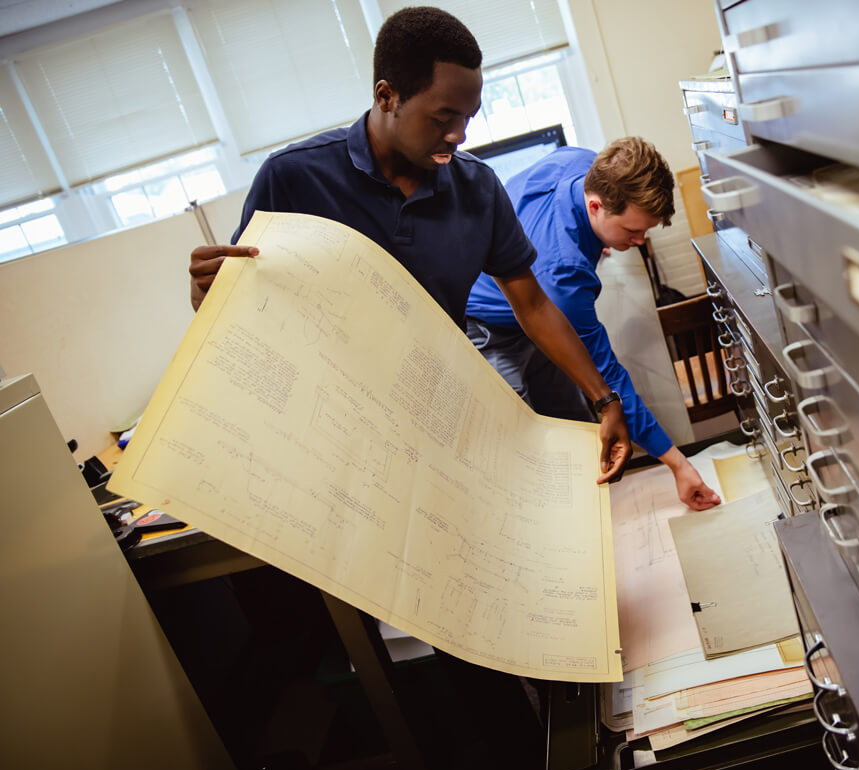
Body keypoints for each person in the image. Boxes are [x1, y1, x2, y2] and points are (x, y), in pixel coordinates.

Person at [187, 5, 630, 486]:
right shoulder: (294, 178)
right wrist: (207, 297)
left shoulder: (477, 189)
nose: (458, 135)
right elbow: (249, 308)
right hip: (339, 436)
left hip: (445, 417)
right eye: (443, 117)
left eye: (468, 118)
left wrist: (604, 399)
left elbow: (532, 303)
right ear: (387, 95)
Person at [465, 140, 722, 511]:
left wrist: (599, 237)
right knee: (523, 451)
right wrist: (678, 465)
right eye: (632, 231)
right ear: (596, 206)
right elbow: (609, 381)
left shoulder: (584, 163)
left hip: (532, 313)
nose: (639, 242)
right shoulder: (564, 271)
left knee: (577, 427)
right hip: (488, 327)